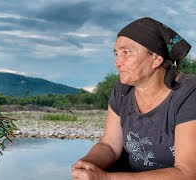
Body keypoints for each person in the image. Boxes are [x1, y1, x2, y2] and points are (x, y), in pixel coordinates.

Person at [72, 17, 196, 179]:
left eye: (126, 52)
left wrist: (107, 178)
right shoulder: (122, 91)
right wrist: (87, 164)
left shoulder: (189, 92)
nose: (117, 62)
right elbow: (109, 145)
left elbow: (188, 172)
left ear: (156, 58)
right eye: (116, 54)